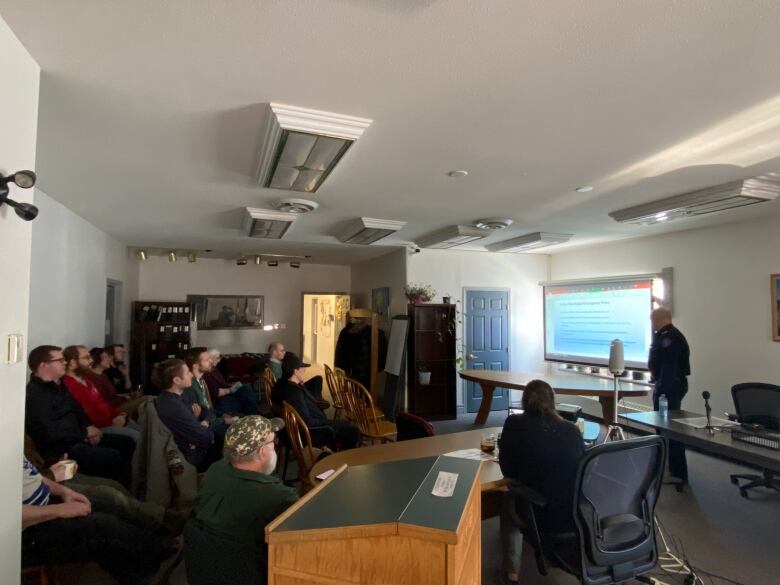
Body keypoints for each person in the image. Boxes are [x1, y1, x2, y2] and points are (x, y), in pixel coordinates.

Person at [21, 456, 180, 585]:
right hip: (23, 531)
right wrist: (60, 510)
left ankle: (153, 550)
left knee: (104, 504)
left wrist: (63, 491)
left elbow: (31, 477)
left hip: (44, 501)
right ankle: (155, 562)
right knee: (101, 528)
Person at [498, 379, 585, 585]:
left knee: (508, 496)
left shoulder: (514, 424)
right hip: (575, 516)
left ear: (523, 402)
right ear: (554, 402)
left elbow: (508, 471)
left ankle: (512, 574)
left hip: (539, 516)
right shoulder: (572, 430)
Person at [195, 415, 298, 567]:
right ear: (263, 451)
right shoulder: (281, 498)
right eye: (273, 442)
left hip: (210, 564)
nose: (275, 446)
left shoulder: (214, 469)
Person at [25, 345, 135, 484]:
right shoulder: (36, 394)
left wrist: (90, 427)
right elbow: (49, 432)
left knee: (127, 442)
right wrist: (83, 434)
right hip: (62, 448)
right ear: (44, 365)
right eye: (59, 360)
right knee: (113, 456)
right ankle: (115, 493)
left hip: (78, 436)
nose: (64, 362)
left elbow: (78, 409)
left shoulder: (59, 384)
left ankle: (131, 489)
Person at [272, 353, 360, 450]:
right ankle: (341, 458)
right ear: (295, 372)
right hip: (310, 432)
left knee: (344, 424)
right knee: (352, 429)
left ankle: (335, 452)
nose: (304, 371)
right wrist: (326, 423)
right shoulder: (294, 394)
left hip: (302, 428)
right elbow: (308, 422)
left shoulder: (283, 384)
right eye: (302, 368)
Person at [61, 345, 140, 443]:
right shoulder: (67, 384)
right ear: (72, 363)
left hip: (111, 419)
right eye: (86, 358)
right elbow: (88, 413)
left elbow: (103, 402)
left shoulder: (86, 380)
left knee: (143, 432)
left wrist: (118, 414)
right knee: (136, 437)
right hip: (99, 427)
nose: (91, 360)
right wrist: (112, 422)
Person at [648, 306, 691, 483]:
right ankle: (669, 468)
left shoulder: (670, 337)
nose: (652, 324)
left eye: (652, 320)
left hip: (669, 388)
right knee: (665, 428)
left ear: (660, 319)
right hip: (668, 386)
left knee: (670, 429)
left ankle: (677, 472)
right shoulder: (667, 335)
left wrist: (661, 391)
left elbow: (669, 367)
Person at [154, 358, 220, 471]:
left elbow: (205, 410)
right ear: (177, 380)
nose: (191, 375)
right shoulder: (173, 406)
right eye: (187, 372)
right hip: (192, 457)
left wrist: (202, 421)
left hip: (197, 442)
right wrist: (202, 424)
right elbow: (205, 438)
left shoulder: (178, 395)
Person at [183, 347, 232, 442]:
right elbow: (201, 419)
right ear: (195, 366)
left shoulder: (201, 381)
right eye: (206, 359)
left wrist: (221, 415)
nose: (210, 361)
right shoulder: (190, 387)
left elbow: (208, 409)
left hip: (214, 420)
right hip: (207, 429)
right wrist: (223, 420)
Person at [203, 348, 261, 416]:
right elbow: (216, 393)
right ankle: (255, 415)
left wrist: (233, 386)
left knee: (245, 388)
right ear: (210, 359)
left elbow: (223, 384)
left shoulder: (214, 370)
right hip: (219, 402)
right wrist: (230, 390)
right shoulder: (207, 374)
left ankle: (254, 415)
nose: (219, 360)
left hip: (225, 396)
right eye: (217, 358)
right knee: (246, 397)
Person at [89, 346, 145, 416]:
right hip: (113, 408)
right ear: (97, 359)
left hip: (120, 402)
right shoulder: (92, 377)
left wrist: (129, 395)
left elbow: (122, 391)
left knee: (149, 401)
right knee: (148, 399)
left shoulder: (104, 376)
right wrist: (125, 398)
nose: (109, 359)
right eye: (105, 357)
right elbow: (103, 400)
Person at [268, 341, 327, 407]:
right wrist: (299, 383)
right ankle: (316, 401)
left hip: (289, 386)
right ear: (274, 352)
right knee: (317, 380)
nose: (284, 352)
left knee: (317, 380)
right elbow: (283, 381)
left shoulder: (275, 363)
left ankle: (316, 399)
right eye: (282, 351)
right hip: (291, 388)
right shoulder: (275, 367)